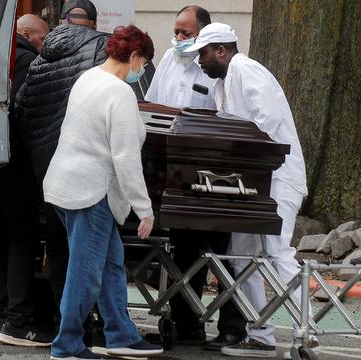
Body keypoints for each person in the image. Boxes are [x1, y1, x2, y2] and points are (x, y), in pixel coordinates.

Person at [183, 22, 320, 358]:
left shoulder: (248, 71)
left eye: (202, 53)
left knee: (275, 250)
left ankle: (308, 328)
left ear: (221, 50)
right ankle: (260, 334)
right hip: (252, 181)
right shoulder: (223, 83)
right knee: (242, 256)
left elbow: (267, 125)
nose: (198, 60)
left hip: (276, 178)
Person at [43, 25, 163, 360]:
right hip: (92, 192)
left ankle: (120, 334)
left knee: (110, 264)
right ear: (135, 56)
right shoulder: (120, 93)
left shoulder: (88, 78)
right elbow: (124, 157)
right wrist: (144, 208)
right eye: (143, 63)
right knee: (87, 271)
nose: (141, 71)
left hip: (65, 184)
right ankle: (67, 345)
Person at [145, 6, 247, 350]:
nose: (178, 39)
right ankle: (187, 324)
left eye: (186, 33)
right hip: (177, 171)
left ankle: (233, 325)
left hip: (217, 169)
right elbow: (154, 106)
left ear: (204, 35)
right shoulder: (170, 64)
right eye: (176, 32)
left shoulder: (219, 68)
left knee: (223, 252)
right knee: (185, 250)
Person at [14, 0, 109, 341]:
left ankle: (67, 325)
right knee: (95, 249)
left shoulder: (41, 59)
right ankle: (96, 327)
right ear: (93, 24)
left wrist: (42, 152)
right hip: (92, 171)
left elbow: (22, 112)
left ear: (61, 25)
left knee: (59, 248)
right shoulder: (102, 53)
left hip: (51, 172)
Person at [0, 14, 52, 347]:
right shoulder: (26, 62)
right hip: (15, 167)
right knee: (22, 241)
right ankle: (18, 323)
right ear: (27, 35)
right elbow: (29, 115)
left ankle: (4, 314)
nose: (44, 46)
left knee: (3, 240)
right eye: (43, 39)